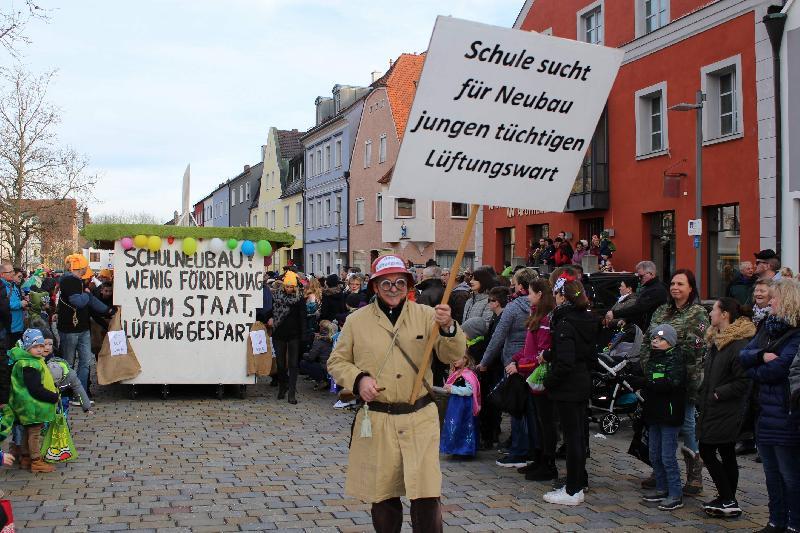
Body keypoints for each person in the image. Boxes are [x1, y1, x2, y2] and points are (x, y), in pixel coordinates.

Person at [326, 254, 465, 533]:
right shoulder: (357, 321)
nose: (393, 288)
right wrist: (359, 380)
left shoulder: (429, 316)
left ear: (409, 285)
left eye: (400, 282)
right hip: (379, 418)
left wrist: (449, 327)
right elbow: (336, 362)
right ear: (375, 286)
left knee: (426, 493)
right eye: (386, 283)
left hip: (420, 418)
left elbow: (453, 354)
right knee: (384, 494)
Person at [639, 269, 709, 495]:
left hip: (683, 380)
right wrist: (648, 366)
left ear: (691, 287)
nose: (675, 287)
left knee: (686, 425)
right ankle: (661, 471)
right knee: (657, 422)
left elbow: (695, 348)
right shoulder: (661, 310)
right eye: (672, 283)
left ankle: (693, 471)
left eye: (680, 283)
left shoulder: (698, 313)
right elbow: (648, 339)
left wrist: (671, 359)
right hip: (656, 378)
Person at [739, 279, 800, 533]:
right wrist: (761, 356)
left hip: (787, 414)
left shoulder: (795, 333)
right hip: (763, 412)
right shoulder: (767, 328)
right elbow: (743, 356)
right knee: (772, 476)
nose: (770, 301)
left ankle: (795, 524)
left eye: (774, 297)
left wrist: (757, 367)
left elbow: (780, 368)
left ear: (786, 300)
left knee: (791, 477)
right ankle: (776, 521)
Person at [541, 274, 597, 506]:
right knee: (577, 437)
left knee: (573, 438)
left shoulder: (565, 322)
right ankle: (575, 483)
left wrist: (549, 381)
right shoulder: (586, 318)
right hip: (581, 381)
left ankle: (573, 488)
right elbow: (578, 350)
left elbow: (566, 360)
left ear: (562, 295)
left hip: (570, 385)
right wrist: (549, 355)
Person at [696, 298, 754, 517]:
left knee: (708, 449)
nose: (710, 313)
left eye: (713, 310)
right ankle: (728, 498)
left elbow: (743, 380)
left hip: (726, 407)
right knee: (726, 451)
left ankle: (728, 497)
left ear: (725, 314)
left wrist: (718, 393)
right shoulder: (717, 340)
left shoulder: (737, 344)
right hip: (714, 405)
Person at [478, 269, 536, 468]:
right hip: (533, 362)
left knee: (515, 409)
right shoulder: (539, 305)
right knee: (530, 409)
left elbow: (498, 338)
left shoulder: (513, 307)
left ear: (520, 285)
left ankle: (519, 451)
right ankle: (531, 449)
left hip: (514, 363)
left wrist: (484, 362)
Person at [641, 324, 687, 511]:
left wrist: (652, 380)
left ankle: (675, 493)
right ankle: (661, 487)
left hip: (669, 413)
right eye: (654, 339)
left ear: (670, 342)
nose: (655, 342)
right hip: (654, 412)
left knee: (668, 455)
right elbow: (653, 379)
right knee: (654, 453)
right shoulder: (653, 358)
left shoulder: (676, 358)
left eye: (660, 339)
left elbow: (670, 382)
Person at [516, 277, 555, 482]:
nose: (527, 296)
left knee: (545, 422)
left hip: (539, 376)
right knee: (538, 421)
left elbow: (541, 352)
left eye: (530, 292)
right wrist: (517, 358)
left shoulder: (546, 319)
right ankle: (539, 457)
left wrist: (521, 365)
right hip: (530, 374)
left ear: (540, 294)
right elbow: (528, 346)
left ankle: (547, 462)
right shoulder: (535, 314)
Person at [57, 255, 112, 401]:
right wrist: (86, 295)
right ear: (80, 268)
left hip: (82, 328)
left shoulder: (80, 282)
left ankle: (81, 394)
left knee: (85, 362)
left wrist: (108, 311)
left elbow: (91, 301)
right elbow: (79, 302)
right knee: (68, 363)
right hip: (70, 329)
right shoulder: (69, 281)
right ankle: (65, 394)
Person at [7, 329, 59, 473]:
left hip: (25, 405)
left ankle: (25, 457)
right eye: (35, 347)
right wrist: (52, 396)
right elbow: (35, 389)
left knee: (27, 431)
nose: (39, 349)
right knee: (35, 433)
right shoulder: (29, 365)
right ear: (27, 347)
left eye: (41, 346)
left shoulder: (25, 361)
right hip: (32, 405)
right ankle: (36, 460)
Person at [271, 277, 307, 405]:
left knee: (293, 364)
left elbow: (303, 317)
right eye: (287, 286)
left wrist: (304, 336)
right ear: (283, 286)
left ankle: (291, 393)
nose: (289, 289)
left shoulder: (299, 299)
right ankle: (282, 386)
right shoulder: (276, 296)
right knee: (280, 364)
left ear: (295, 287)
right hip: (279, 333)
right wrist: (270, 318)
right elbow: (271, 311)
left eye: (291, 286)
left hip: (294, 334)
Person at [605, 261, 668, 333]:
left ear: (651, 274)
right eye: (638, 276)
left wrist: (615, 313)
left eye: (641, 276)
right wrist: (627, 320)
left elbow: (640, 308)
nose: (639, 279)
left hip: (652, 331)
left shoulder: (657, 289)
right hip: (644, 330)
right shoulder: (649, 288)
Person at [440, 353, 481, 458]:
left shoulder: (468, 375)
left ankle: (465, 450)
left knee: (464, 426)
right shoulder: (457, 373)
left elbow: (469, 390)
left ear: (466, 359)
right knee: (455, 425)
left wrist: (453, 389)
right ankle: (455, 449)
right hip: (455, 406)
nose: (455, 360)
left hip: (464, 406)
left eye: (458, 357)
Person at [462, 266, 499, 340]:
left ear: (483, 281)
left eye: (475, 279)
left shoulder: (488, 301)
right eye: (471, 279)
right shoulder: (469, 301)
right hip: (465, 341)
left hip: (478, 344)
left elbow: (486, 326)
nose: (471, 282)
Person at [299, 320, 337, 390]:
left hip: (326, 369)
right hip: (336, 368)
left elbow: (311, 357)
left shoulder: (319, 340)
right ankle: (331, 384)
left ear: (321, 328)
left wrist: (304, 354)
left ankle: (322, 381)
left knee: (303, 363)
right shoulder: (336, 338)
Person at [1, 263, 26, 347]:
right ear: (2, 274)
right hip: (10, 328)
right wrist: (19, 304)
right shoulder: (2, 287)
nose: (13, 274)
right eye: (10, 272)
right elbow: (3, 305)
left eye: (13, 271)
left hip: (18, 325)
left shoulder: (13, 285)